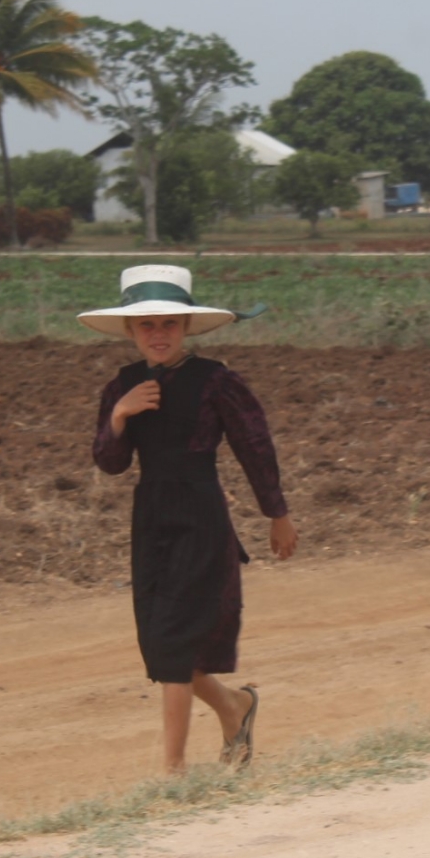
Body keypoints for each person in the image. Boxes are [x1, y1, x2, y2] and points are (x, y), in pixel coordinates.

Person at [81, 265, 299, 773]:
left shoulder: (216, 381)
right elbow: (109, 464)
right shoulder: (123, 386)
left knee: (176, 645)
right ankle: (235, 707)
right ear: (132, 332)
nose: (158, 335)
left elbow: (255, 447)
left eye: (169, 325)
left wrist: (277, 514)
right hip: (151, 519)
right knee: (161, 649)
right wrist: (120, 415)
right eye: (146, 326)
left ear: (186, 328)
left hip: (201, 516)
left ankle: (173, 773)